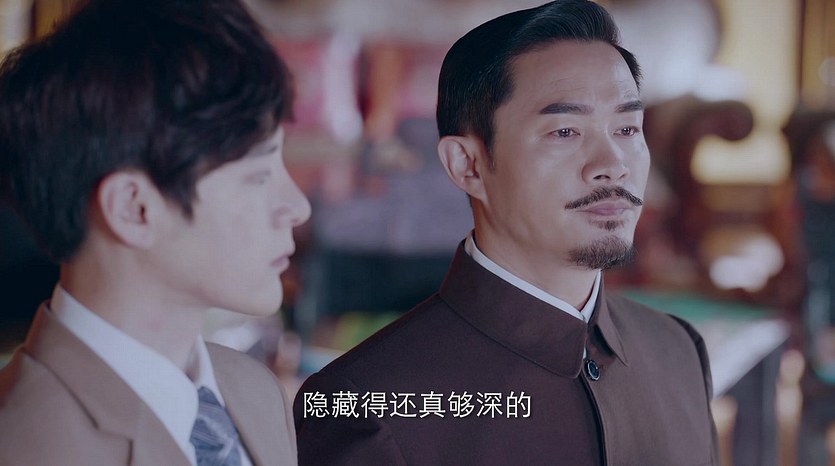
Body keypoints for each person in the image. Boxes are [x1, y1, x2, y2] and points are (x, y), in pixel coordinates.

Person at [293, 1, 718, 464]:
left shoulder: (678, 350)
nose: (613, 165)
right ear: (468, 165)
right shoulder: (365, 407)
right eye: (565, 132)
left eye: (628, 128)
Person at [0, 0, 309, 464]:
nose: (298, 207)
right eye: (258, 175)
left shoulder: (253, 392)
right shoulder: (25, 446)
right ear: (134, 208)